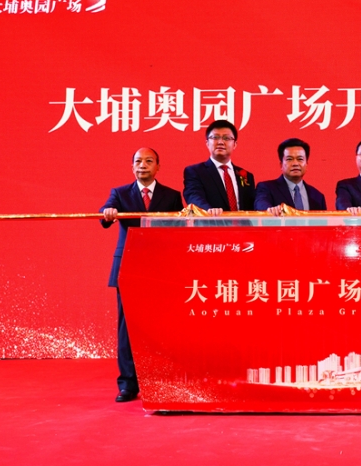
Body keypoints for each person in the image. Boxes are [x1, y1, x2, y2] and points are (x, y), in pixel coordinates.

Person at [100, 148, 184, 402]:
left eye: (149, 161)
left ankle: (161, 381)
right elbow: (105, 217)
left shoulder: (171, 195)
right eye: (138, 161)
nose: (143, 165)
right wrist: (108, 213)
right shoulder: (120, 193)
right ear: (132, 166)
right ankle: (128, 384)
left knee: (162, 327)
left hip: (161, 269)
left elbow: (180, 228)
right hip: (128, 266)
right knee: (127, 328)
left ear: (158, 167)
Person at [183, 120, 256, 216]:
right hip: (211, 223)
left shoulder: (246, 175)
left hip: (241, 225)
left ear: (234, 144)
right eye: (215, 137)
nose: (221, 142)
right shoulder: (195, 171)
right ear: (207, 143)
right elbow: (194, 196)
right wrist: (209, 211)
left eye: (227, 138)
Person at [255, 138, 327, 216]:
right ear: (281, 165)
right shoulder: (267, 188)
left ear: (306, 164)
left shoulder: (318, 196)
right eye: (289, 159)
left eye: (300, 159)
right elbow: (261, 205)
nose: (295, 163)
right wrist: (270, 210)